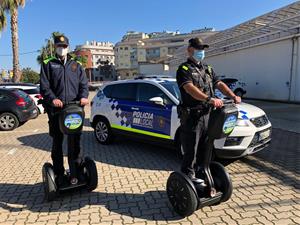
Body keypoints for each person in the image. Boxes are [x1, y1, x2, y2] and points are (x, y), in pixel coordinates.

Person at [176, 37, 241, 182]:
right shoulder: (184, 69)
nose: (201, 52)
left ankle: (201, 172)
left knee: (206, 148)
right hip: (192, 117)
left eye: (202, 49)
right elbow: (189, 89)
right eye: (198, 49)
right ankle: (188, 178)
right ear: (190, 50)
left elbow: (219, 84)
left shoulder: (208, 68)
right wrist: (209, 99)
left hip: (208, 115)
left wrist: (232, 95)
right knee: (191, 150)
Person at [40, 35, 89, 186]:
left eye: (64, 46)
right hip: (56, 110)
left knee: (76, 141)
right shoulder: (48, 64)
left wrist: (84, 97)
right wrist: (53, 99)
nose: (62, 49)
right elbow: (44, 87)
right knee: (58, 141)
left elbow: (84, 84)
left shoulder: (76, 64)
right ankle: (59, 173)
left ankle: (78, 171)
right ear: (55, 47)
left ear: (68, 47)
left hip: (74, 108)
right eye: (59, 46)